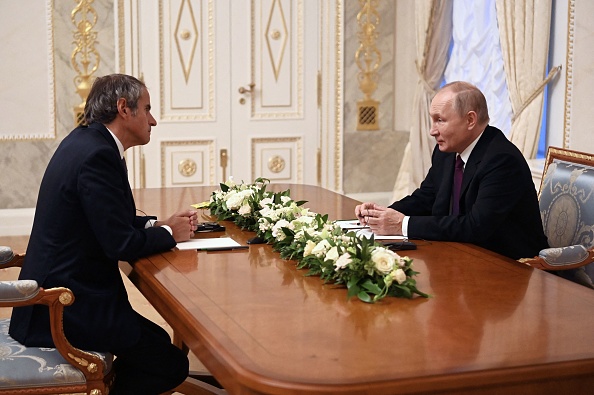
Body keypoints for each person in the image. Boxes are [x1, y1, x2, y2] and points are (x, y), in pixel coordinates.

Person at [10, 74, 197, 394]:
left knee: (158, 343)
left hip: (63, 292)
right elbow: (119, 244)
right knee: (169, 363)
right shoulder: (98, 154)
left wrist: (156, 225)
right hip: (62, 306)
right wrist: (169, 233)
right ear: (124, 108)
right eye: (147, 109)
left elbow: (108, 219)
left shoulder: (88, 141)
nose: (153, 120)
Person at [355, 81, 549, 260]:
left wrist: (402, 224)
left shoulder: (502, 160)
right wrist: (383, 214)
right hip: (461, 255)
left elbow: (476, 227)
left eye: (440, 120)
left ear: (470, 120)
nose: (432, 131)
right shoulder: (447, 152)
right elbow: (426, 198)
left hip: (510, 267)